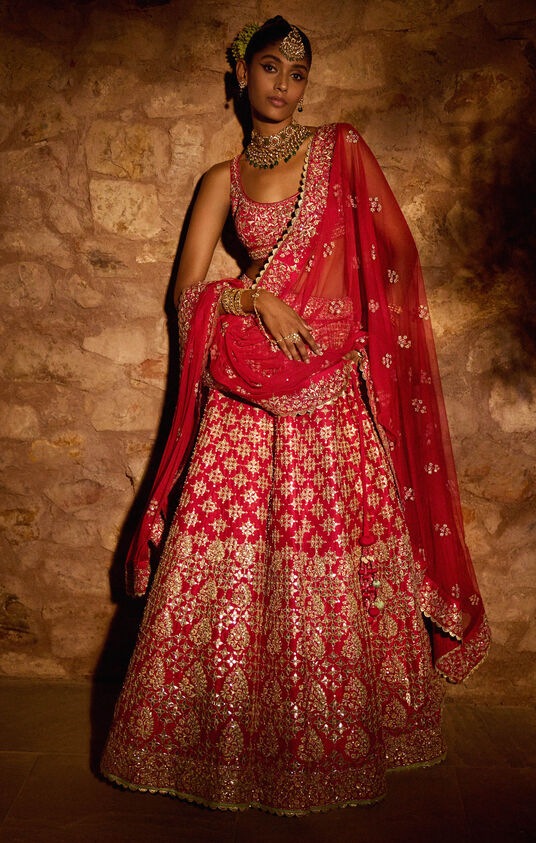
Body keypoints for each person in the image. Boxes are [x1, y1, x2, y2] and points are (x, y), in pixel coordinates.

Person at [99, 16, 490, 815]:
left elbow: (396, 254)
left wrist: (346, 324)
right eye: (271, 67)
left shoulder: (340, 151)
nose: (284, 84)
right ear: (241, 73)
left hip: (329, 384)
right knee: (235, 562)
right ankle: (220, 739)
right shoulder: (221, 179)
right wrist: (255, 298)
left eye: (298, 73)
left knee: (324, 559)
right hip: (243, 389)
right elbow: (187, 294)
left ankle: (334, 736)